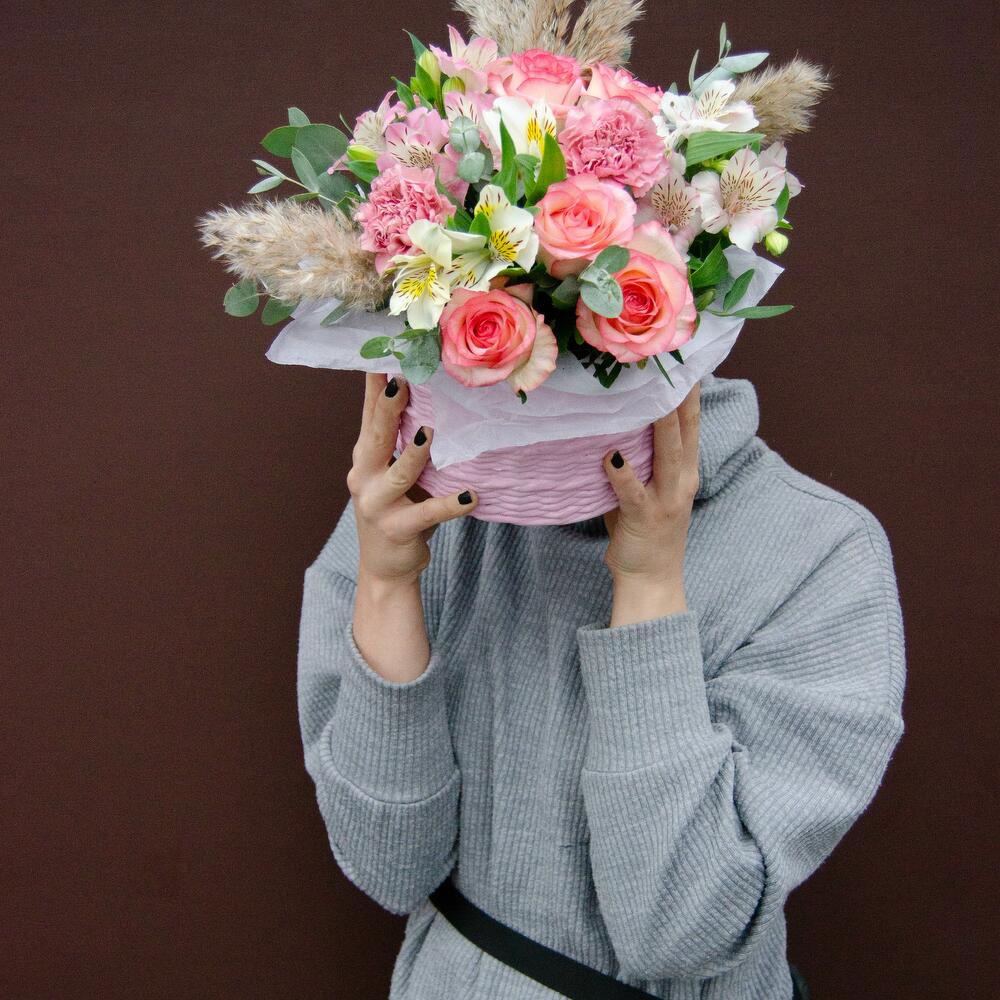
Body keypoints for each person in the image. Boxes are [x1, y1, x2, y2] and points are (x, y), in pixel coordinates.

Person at [296, 369, 906, 999]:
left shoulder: (821, 549)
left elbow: (679, 930)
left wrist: (648, 585)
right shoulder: (420, 503)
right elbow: (389, 867)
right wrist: (387, 584)